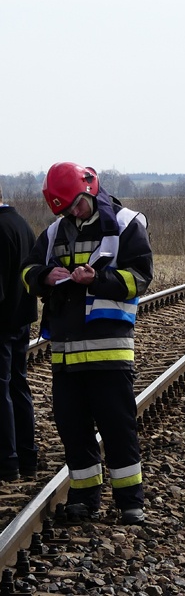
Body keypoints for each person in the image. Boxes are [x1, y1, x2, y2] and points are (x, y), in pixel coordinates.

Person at [22, 162, 153, 525]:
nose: (74, 213)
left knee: (117, 427)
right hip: (65, 354)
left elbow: (141, 278)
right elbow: (27, 271)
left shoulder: (126, 225)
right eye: (66, 209)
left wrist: (98, 280)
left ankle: (130, 502)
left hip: (110, 350)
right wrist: (45, 275)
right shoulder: (52, 233)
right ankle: (84, 498)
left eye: (77, 205)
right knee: (72, 427)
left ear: (90, 188)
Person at [0, 184, 39, 482]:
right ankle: (28, 458)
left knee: (1, 391)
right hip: (21, 321)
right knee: (18, 387)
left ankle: (8, 462)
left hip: (1, 323)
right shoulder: (22, 224)